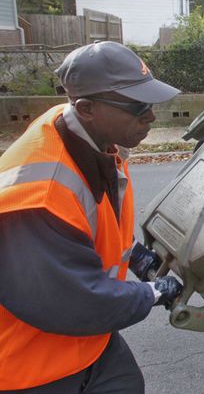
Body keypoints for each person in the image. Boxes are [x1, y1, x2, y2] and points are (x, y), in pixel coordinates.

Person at [0, 41, 183, 393]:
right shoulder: (39, 198)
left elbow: (89, 221)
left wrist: (136, 256)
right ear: (86, 108)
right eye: (137, 106)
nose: (150, 116)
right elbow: (75, 301)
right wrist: (151, 293)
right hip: (35, 365)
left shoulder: (88, 136)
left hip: (88, 341)